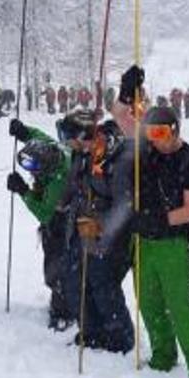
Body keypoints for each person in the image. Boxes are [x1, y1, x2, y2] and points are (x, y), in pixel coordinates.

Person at [134, 105, 189, 378]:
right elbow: (121, 117)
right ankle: (163, 356)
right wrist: (126, 92)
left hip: (174, 245)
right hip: (144, 244)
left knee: (180, 309)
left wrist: (158, 221)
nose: (155, 139)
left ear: (175, 130)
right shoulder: (147, 153)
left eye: (161, 132)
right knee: (148, 304)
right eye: (150, 133)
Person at [62, 110, 136, 353]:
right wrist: (63, 203)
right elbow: (74, 184)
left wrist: (102, 227)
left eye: (69, 136)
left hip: (110, 234)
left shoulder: (117, 157)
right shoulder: (81, 154)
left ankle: (118, 335)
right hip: (81, 227)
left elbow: (124, 204)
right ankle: (91, 330)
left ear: (83, 135)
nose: (66, 142)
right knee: (74, 281)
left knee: (102, 283)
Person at [6, 118, 76, 331]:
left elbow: (45, 213)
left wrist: (23, 191)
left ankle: (64, 311)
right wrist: (23, 130)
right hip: (57, 215)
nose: (31, 171)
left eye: (34, 167)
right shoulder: (50, 146)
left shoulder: (58, 180)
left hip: (64, 219)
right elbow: (36, 135)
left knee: (59, 265)